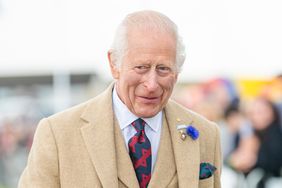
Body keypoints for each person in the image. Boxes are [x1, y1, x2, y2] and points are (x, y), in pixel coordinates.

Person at [18, 10, 222, 188]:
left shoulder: (207, 134)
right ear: (114, 64)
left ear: (177, 72)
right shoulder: (57, 134)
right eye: (141, 67)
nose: (151, 84)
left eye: (163, 69)